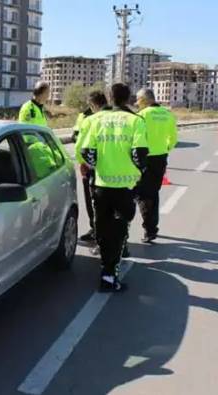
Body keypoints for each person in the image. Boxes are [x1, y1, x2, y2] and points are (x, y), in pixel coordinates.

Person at [81, 83, 148, 292]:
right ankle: (110, 275)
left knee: (102, 230)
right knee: (119, 232)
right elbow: (139, 154)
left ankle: (105, 270)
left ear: (109, 98)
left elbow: (86, 151)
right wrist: (138, 171)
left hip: (101, 185)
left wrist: (97, 168)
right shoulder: (136, 121)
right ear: (128, 98)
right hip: (125, 187)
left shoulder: (95, 119)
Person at [135, 88, 178, 243]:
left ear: (144, 100)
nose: (136, 103)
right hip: (160, 158)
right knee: (153, 192)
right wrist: (165, 149)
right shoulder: (167, 114)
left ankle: (149, 229)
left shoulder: (142, 115)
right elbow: (173, 138)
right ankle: (152, 227)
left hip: (144, 158)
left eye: (138, 100)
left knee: (142, 195)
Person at [74, 91, 111, 243]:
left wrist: (82, 163)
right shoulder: (122, 117)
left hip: (94, 167)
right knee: (113, 204)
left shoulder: (90, 119)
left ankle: (97, 232)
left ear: (93, 105)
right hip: (117, 168)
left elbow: (80, 145)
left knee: (94, 202)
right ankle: (115, 235)